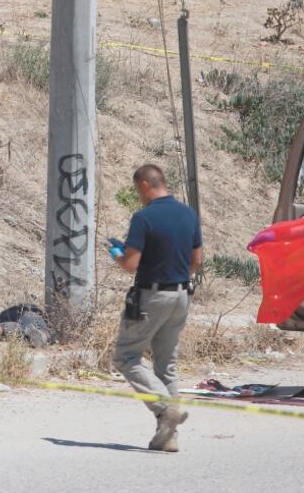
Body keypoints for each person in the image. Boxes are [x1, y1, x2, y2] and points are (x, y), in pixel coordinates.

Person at [109, 164, 202, 453]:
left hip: (153, 297)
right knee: (166, 366)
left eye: (139, 191)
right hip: (181, 295)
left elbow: (130, 265)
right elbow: (196, 260)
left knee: (126, 357)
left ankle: (165, 408)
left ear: (146, 186)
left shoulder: (144, 217)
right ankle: (169, 438)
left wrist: (116, 253)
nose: (139, 196)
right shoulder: (189, 214)